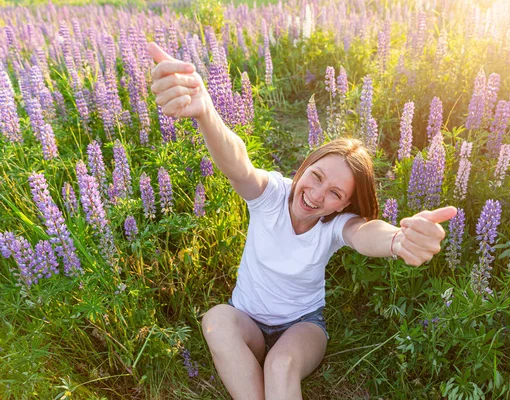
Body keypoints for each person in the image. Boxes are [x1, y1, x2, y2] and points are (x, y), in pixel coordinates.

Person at [148, 42, 457, 399]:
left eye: (336, 194)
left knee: (280, 365)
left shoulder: (335, 226)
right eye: (318, 176)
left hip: (302, 328)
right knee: (215, 320)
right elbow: (238, 163)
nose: (317, 194)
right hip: (246, 319)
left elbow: (365, 232)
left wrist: (397, 241)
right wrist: (205, 112)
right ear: (306, 165)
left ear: (343, 206)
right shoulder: (271, 195)